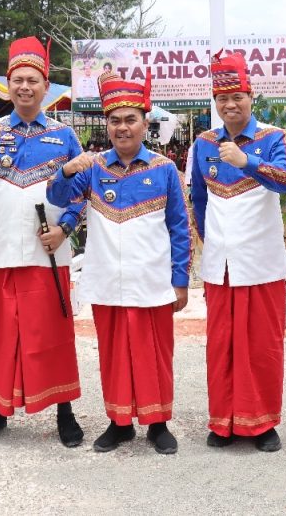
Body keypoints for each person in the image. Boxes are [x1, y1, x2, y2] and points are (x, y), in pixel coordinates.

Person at [48, 70, 191, 454]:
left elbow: (180, 228)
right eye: (115, 120)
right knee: (113, 352)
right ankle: (119, 421)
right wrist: (66, 170)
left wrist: (181, 280)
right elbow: (60, 197)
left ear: (146, 123)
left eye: (130, 119)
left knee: (155, 354)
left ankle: (158, 423)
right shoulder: (92, 167)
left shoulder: (163, 169)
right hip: (108, 279)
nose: (123, 128)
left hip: (152, 280)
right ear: (106, 125)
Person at [0, 36, 86, 447]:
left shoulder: (64, 136)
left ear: (46, 86)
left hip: (47, 251)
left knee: (53, 333)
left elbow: (82, 190)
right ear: (7, 86)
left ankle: (64, 408)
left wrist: (65, 228)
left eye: (33, 80)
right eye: (18, 80)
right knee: (1, 335)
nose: (25, 87)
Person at [190, 51, 286, 452]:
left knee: (262, 345)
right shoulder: (203, 143)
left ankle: (263, 424)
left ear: (250, 96)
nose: (230, 104)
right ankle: (224, 421)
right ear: (214, 102)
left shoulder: (274, 137)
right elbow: (197, 199)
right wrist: (211, 239)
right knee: (221, 345)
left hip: (262, 262)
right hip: (220, 263)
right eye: (222, 98)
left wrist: (247, 160)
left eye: (237, 96)